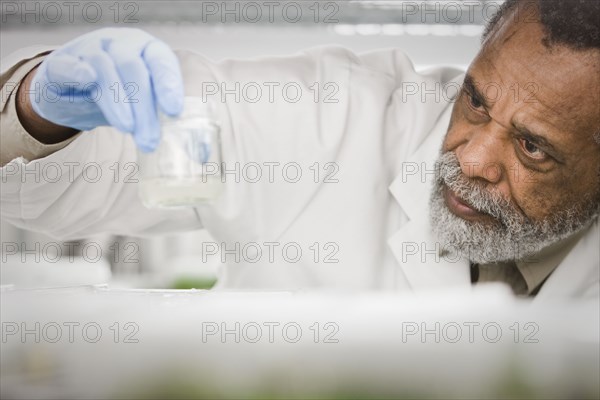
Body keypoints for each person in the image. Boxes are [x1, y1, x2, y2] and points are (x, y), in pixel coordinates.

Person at [1, 0, 598, 298]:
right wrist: (38, 113)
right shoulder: (330, 127)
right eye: (474, 101)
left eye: (531, 148)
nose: (471, 160)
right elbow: (140, 163)